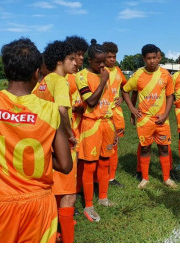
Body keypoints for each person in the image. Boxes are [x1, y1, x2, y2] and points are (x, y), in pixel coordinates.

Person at [0, 37, 72, 243]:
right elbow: (65, 165)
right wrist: (29, 157)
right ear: (37, 72)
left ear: (6, 72)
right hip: (39, 206)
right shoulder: (51, 111)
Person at [33, 40, 77, 243]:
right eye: (71, 59)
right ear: (60, 61)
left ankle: (54, 234)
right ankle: (67, 241)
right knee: (69, 195)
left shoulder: (42, 82)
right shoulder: (60, 81)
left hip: (44, 142)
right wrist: (70, 134)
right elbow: (61, 110)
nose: (76, 62)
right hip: (60, 142)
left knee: (53, 191)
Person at [122, 44, 176, 189]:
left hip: (161, 119)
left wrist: (165, 115)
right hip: (144, 120)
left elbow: (170, 96)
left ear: (158, 57)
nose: (152, 61)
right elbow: (125, 90)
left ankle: (166, 178)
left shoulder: (165, 75)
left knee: (164, 148)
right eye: (148, 58)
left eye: (154, 58)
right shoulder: (138, 75)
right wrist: (132, 109)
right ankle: (145, 178)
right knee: (145, 148)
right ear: (144, 59)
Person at [75, 39, 117, 222]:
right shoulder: (81, 76)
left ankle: (103, 197)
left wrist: (113, 127)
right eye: (98, 61)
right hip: (91, 124)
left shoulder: (105, 73)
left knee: (105, 161)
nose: (102, 64)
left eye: (103, 61)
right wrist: (103, 81)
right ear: (89, 60)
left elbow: (109, 102)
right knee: (89, 165)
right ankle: (89, 205)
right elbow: (91, 101)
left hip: (107, 123)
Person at [64, 36, 88, 194]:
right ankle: (67, 193)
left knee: (81, 158)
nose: (81, 58)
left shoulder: (82, 74)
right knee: (69, 159)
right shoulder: (64, 76)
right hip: (69, 125)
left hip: (83, 123)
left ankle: (77, 188)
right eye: (77, 55)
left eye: (82, 54)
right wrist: (75, 108)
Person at [103, 41, 127, 188]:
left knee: (115, 146)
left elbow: (126, 86)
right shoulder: (100, 71)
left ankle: (111, 178)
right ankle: (100, 176)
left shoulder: (118, 71)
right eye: (109, 56)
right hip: (103, 114)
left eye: (114, 56)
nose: (112, 59)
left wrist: (123, 97)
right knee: (104, 146)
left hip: (116, 114)